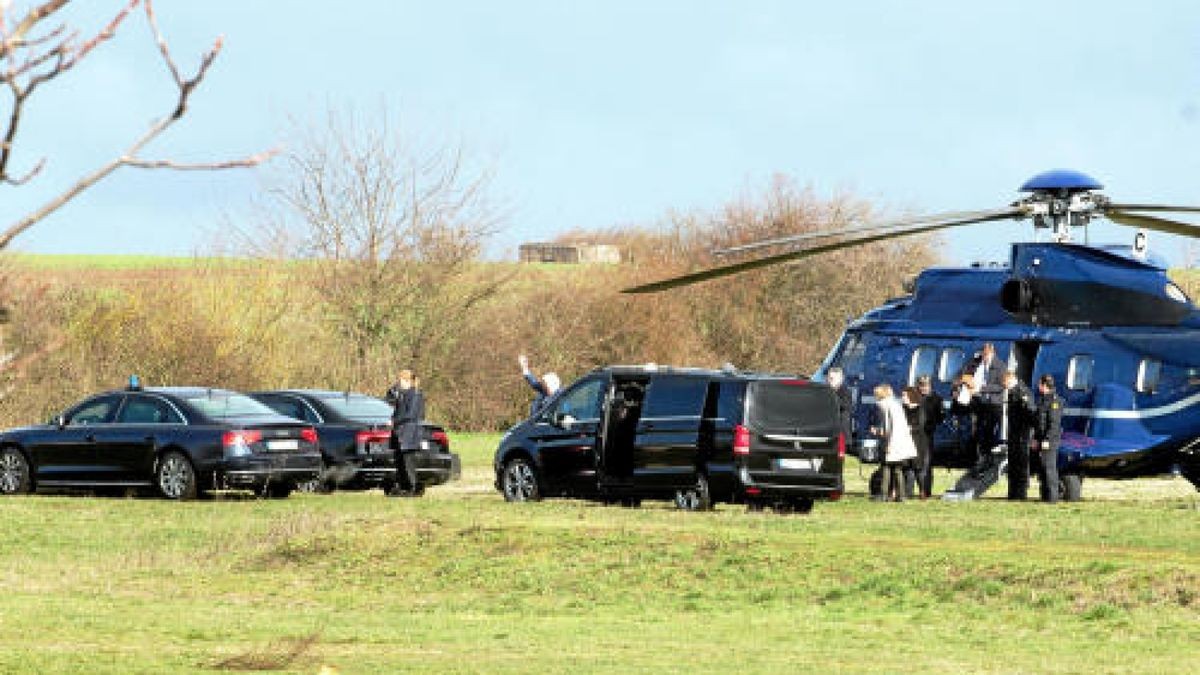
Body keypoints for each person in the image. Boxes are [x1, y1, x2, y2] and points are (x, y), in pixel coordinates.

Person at [869, 384, 918, 502]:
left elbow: (891, 428)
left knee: (887, 467)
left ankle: (884, 494)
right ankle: (901, 495)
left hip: (894, 442)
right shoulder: (895, 405)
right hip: (901, 441)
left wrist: (889, 444)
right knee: (897, 469)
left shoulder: (886, 406)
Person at [385, 369, 426, 497]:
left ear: (407, 380)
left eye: (401, 380)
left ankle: (413, 488)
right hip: (400, 432)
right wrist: (393, 392)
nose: (399, 382)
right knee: (400, 461)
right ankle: (404, 487)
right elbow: (389, 401)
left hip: (409, 432)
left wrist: (394, 422)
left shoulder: (416, 394)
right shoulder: (402, 394)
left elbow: (410, 415)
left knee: (408, 462)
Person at [1001, 371, 1035, 500]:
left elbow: (1030, 413)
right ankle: (1013, 492)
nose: (1005, 387)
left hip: (1022, 434)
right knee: (1013, 464)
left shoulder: (1023, 392)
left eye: (1005, 384)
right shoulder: (1012, 392)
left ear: (1010, 380)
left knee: (1021, 464)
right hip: (1014, 434)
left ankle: (1020, 493)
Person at [969, 343, 1007, 458]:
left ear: (992, 353)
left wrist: (983, 388)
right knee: (978, 431)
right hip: (980, 403)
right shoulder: (979, 365)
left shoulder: (1000, 366)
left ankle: (987, 456)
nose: (984, 357)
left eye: (986, 355)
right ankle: (979, 455)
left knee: (989, 432)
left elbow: (1001, 386)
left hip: (993, 404)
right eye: (983, 355)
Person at [1032, 374, 1064, 503]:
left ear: (1045, 385)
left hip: (1050, 441)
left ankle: (1052, 497)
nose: (1038, 386)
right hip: (1040, 439)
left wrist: (1047, 440)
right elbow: (1039, 422)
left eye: (1040, 384)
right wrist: (1035, 438)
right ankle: (1044, 495)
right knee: (1042, 468)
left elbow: (1053, 424)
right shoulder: (1042, 400)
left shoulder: (1055, 401)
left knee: (1049, 468)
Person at [916, 375, 943, 498]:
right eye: (921, 385)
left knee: (926, 463)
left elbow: (940, 417)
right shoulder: (914, 397)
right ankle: (920, 488)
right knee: (916, 463)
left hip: (927, 434)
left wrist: (932, 424)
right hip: (915, 434)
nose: (923, 388)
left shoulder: (936, 399)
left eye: (925, 385)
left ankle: (925, 490)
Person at [902, 385, 929, 499]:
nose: (902, 397)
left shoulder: (920, 409)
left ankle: (923, 491)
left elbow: (921, 425)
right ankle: (908, 492)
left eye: (904, 395)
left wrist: (910, 428)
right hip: (906, 441)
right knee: (907, 468)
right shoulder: (903, 409)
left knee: (918, 468)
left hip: (918, 442)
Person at [827, 367, 854, 441]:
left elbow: (846, 406)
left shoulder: (845, 391)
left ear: (841, 379)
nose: (829, 380)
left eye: (832, 378)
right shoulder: (828, 390)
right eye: (828, 378)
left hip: (842, 430)